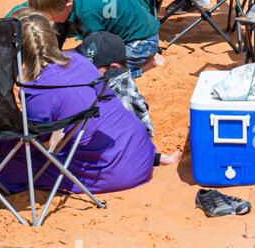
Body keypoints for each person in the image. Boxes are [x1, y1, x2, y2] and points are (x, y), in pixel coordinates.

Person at [0, 11, 156, 196]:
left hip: (115, 170)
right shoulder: (80, 61)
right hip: (141, 152)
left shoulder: (38, 90)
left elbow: (29, 143)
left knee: (10, 168)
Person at [21, 0, 163, 76]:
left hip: (142, 41)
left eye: (50, 16)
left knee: (98, 75)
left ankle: (145, 66)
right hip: (116, 35)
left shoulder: (87, 14)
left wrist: (63, 60)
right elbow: (60, 30)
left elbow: (97, 51)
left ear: (68, 6)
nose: (49, 21)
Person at [77, 31, 180, 167]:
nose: (84, 70)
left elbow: (135, 137)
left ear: (113, 68)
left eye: (91, 67)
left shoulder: (124, 95)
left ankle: (161, 159)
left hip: (118, 156)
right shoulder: (104, 81)